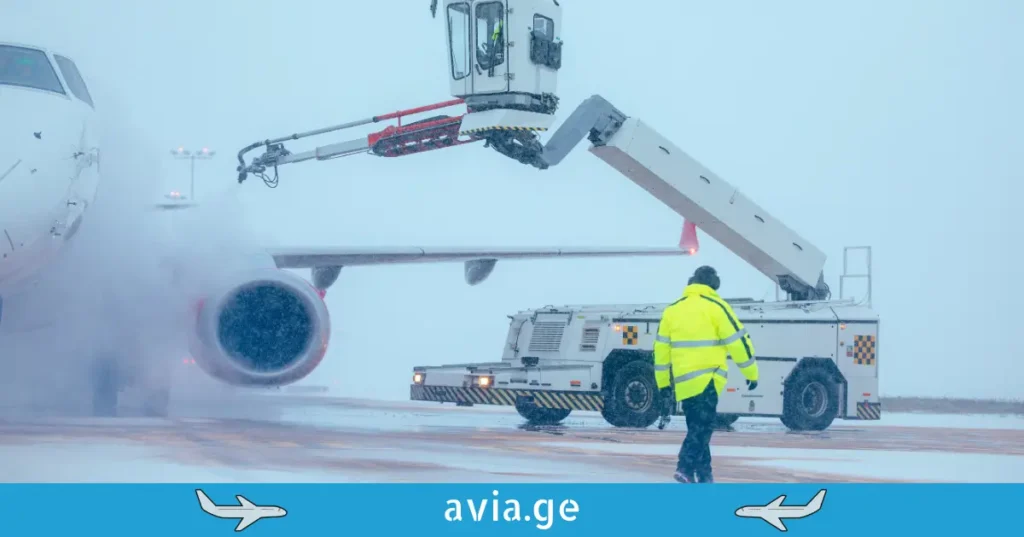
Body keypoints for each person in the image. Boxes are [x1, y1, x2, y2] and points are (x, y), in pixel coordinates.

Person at [654, 266, 759, 483]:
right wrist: (751, 372)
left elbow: (661, 351)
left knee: (697, 427)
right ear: (713, 285)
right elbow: (738, 341)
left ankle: (704, 474)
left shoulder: (672, 310)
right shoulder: (717, 307)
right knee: (703, 428)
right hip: (708, 379)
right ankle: (684, 466)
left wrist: (663, 384)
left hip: (684, 383)